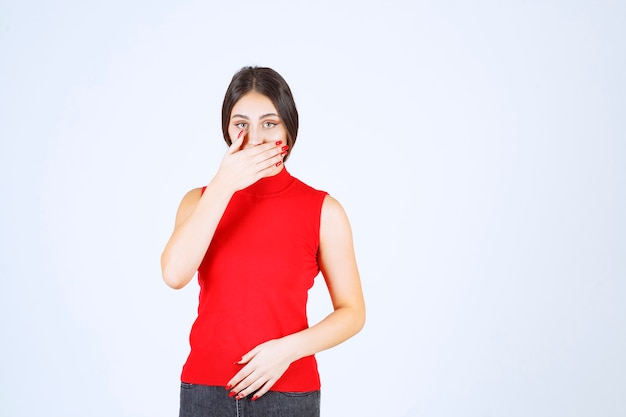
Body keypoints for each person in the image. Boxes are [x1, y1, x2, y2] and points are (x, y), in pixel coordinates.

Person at [160, 66, 365, 417]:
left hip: (287, 393)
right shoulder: (200, 201)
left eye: (269, 124)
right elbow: (174, 274)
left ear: (288, 130)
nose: (254, 138)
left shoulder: (323, 210)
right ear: (227, 130)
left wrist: (286, 351)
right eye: (241, 124)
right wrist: (224, 184)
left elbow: (352, 312)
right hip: (205, 391)